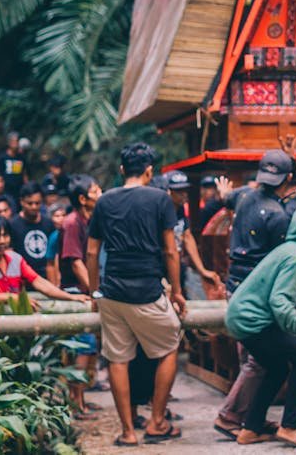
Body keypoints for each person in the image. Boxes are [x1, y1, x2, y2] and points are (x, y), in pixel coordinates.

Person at [86, 142, 185, 447]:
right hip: (147, 289)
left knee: (118, 359)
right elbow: (170, 250)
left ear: (121, 171)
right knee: (169, 347)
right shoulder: (160, 199)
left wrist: (94, 291)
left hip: (113, 291)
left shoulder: (104, 201)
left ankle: (128, 432)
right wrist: (178, 292)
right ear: (149, 171)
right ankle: (156, 422)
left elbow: (92, 251)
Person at [213, 146, 296, 438]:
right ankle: (231, 415)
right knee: (259, 361)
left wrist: (223, 194)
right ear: (288, 178)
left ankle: (249, 420)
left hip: (235, 284)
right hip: (258, 290)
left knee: (258, 359)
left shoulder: (242, 196)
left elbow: (226, 198)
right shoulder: (278, 215)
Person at [226, 205, 296, 447]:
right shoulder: (295, 255)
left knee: (277, 368)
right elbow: (279, 301)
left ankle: (250, 429)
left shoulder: (286, 249)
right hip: (252, 321)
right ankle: (290, 427)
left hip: (241, 317)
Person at [57, 174, 104, 420]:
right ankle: (76, 402)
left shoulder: (90, 220)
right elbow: (76, 263)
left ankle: (81, 397)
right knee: (82, 349)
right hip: (76, 292)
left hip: (88, 292)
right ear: (83, 199)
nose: (101, 193)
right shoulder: (72, 223)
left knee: (88, 350)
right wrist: (95, 292)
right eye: (96, 190)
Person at [0, 216, 89, 307]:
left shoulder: (15, 259)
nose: (2, 241)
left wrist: (71, 297)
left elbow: (40, 283)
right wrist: (14, 298)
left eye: (5, 235)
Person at [164, 170, 223, 295]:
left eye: (185, 190)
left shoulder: (179, 210)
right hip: (160, 266)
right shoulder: (160, 211)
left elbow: (187, 236)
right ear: (168, 191)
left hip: (177, 264)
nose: (184, 194)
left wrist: (202, 270)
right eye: (179, 191)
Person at [10, 182, 54, 279]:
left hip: (46, 278)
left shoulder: (48, 223)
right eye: (30, 203)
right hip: (23, 278)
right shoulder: (13, 225)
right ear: (22, 202)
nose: (34, 207)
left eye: (37, 203)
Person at [0, 132, 27, 200]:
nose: (16, 144)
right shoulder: (2, 157)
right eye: (14, 141)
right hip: (6, 190)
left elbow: (24, 173)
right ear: (9, 142)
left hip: (19, 190)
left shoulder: (21, 158)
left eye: (17, 141)